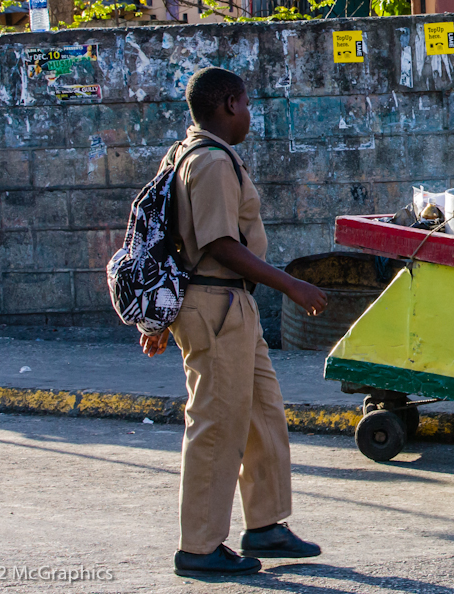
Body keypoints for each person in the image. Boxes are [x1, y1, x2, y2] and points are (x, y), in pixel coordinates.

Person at [139, 67, 328, 576]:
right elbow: (218, 244)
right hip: (216, 306)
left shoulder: (189, 154)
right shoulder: (211, 162)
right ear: (227, 104)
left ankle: (265, 523)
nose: (249, 113)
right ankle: (199, 547)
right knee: (218, 426)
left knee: (262, 414)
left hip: (229, 306)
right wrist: (290, 284)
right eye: (246, 104)